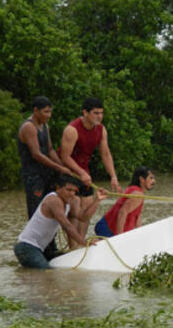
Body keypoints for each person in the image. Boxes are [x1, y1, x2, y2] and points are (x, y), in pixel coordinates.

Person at [59, 97, 121, 247]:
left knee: (86, 211)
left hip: (84, 173)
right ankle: (73, 248)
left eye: (101, 113)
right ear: (85, 112)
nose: (99, 116)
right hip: (68, 173)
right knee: (74, 213)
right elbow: (64, 157)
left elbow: (105, 154)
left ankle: (81, 246)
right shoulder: (72, 129)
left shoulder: (101, 129)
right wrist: (81, 173)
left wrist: (113, 176)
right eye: (95, 113)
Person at [17, 96, 72, 257]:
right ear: (36, 111)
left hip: (47, 174)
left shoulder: (44, 125)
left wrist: (63, 167)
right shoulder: (29, 127)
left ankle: (50, 248)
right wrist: (58, 167)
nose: (49, 115)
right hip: (33, 176)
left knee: (53, 210)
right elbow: (36, 154)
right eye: (46, 112)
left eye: (50, 111)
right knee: (37, 211)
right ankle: (40, 249)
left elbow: (49, 150)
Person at [14, 175, 106, 269]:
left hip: (37, 248)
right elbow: (67, 226)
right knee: (48, 274)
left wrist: (97, 200)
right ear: (58, 188)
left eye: (74, 191)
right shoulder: (54, 200)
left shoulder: (70, 200)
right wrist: (84, 242)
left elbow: (83, 217)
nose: (72, 193)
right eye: (68, 190)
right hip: (26, 247)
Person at [95, 167, 156, 237]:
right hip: (108, 230)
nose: (154, 181)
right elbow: (122, 213)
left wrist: (141, 235)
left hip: (105, 225)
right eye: (151, 178)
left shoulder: (132, 189)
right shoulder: (138, 194)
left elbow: (137, 216)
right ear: (141, 179)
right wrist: (120, 238)